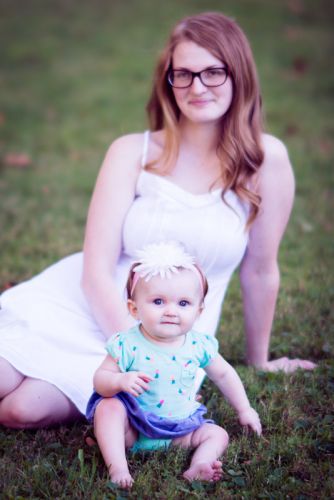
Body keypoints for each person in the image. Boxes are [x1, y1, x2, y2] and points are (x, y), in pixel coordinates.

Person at [0, 11, 316, 429]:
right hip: (91, 307)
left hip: (173, 335)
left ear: (238, 74)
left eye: (213, 72)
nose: (197, 86)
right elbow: (95, 270)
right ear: (168, 81)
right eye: (182, 74)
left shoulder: (264, 159)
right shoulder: (132, 151)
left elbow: (260, 270)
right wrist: (130, 350)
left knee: (19, 412)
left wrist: (259, 361)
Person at [86, 242, 262, 489]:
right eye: (158, 301)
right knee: (108, 408)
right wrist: (118, 381)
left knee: (217, 434)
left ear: (199, 311)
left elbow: (223, 374)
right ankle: (118, 468)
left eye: (183, 304)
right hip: (134, 429)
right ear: (134, 309)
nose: (171, 311)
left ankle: (198, 465)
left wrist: (245, 409)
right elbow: (100, 380)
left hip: (180, 431)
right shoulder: (127, 343)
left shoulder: (198, 345)